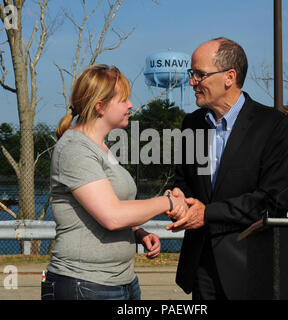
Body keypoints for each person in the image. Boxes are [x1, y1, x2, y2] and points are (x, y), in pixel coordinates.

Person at [41, 64, 187, 300]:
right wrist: (168, 202)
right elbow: (111, 215)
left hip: (122, 281)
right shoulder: (75, 149)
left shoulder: (102, 147)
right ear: (100, 106)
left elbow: (109, 205)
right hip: (84, 284)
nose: (130, 105)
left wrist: (137, 232)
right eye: (124, 100)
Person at [166, 37, 288, 300]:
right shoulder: (192, 124)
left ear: (229, 77)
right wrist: (178, 197)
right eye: (192, 74)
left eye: (199, 74)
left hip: (249, 268)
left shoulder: (274, 126)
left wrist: (208, 213)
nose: (192, 82)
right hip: (200, 268)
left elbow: (273, 202)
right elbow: (184, 180)